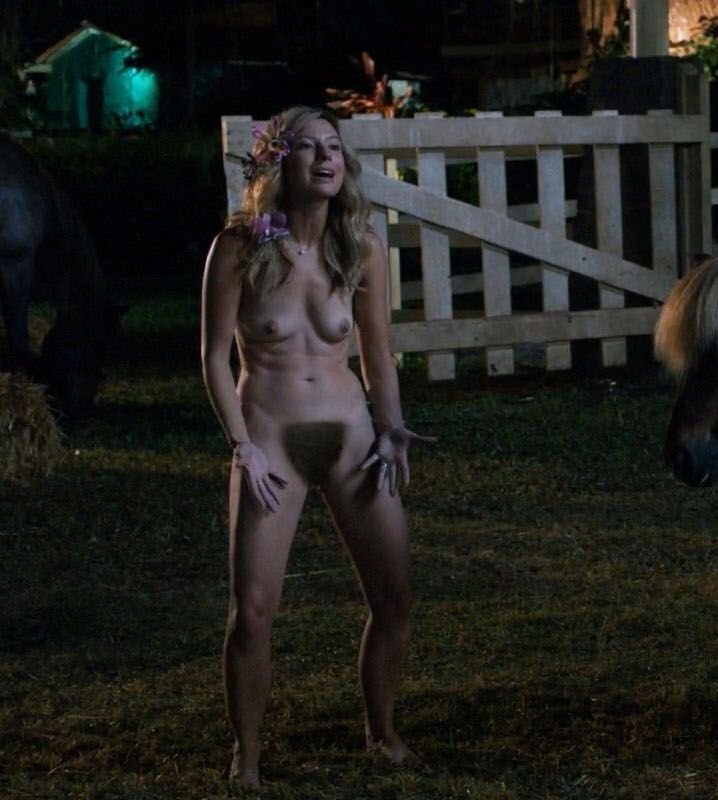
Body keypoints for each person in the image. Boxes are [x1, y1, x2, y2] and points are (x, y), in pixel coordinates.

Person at [201, 105, 431, 788]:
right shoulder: (239, 247)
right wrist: (242, 447)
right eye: (308, 147)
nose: (326, 157)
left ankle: (382, 732)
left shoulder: (359, 246)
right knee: (253, 612)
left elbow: (378, 355)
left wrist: (391, 426)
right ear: (278, 162)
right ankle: (246, 756)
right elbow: (214, 358)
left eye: (334, 146)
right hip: (271, 442)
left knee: (395, 598)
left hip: (350, 437)